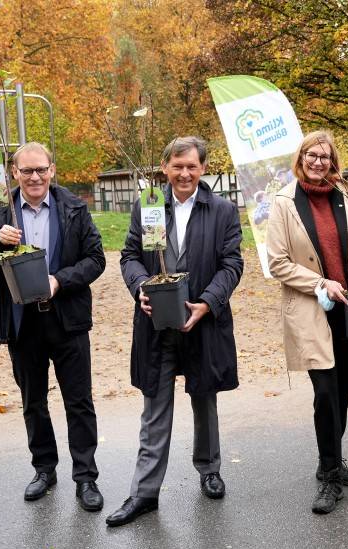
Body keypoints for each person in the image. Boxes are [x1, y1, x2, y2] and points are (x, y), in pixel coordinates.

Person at [106, 136, 244, 527]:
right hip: (157, 323)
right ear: (165, 167)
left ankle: (209, 469)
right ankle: (144, 492)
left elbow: (232, 264)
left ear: (203, 169)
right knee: (154, 406)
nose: (184, 173)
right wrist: (141, 287)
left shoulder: (221, 211)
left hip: (203, 320)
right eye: (177, 166)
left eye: (192, 166)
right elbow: (130, 256)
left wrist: (208, 302)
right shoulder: (147, 205)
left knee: (205, 398)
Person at [0, 141, 106, 511]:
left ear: (52, 170)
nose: (34, 177)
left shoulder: (74, 208)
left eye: (41, 169)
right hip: (22, 322)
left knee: (79, 401)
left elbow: (96, 259)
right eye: (26, 170)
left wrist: (60, 280)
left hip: (67, 320)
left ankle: (86, 477)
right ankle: (44, 470)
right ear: (14, 172)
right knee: (33, 401)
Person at [266, 130, 348, 515]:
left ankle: (329, 460)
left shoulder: (347, 195)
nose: (318, 162)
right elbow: (277, 263)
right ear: (300, 158)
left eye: (325, 156)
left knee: (344, 390)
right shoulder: (284, 202)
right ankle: (330, 477)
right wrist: (321, 282)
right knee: (325, 394)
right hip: (312, 310)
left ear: (333, 161)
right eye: (311, 155)